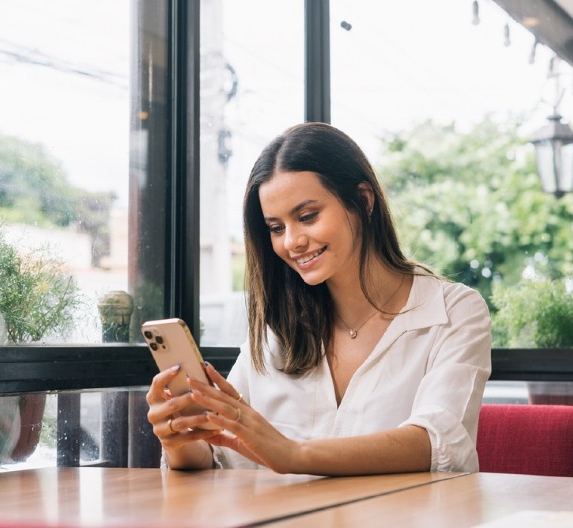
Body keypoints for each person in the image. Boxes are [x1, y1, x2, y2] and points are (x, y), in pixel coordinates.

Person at [146, 122, 491, 476]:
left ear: (363, 200)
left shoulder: (454, 313)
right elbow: (224, 458)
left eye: (307, 216)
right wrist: (180, 439)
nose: (292, 241)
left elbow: (438, 444)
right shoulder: (274, 332)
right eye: (276, 228)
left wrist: (293, 454)